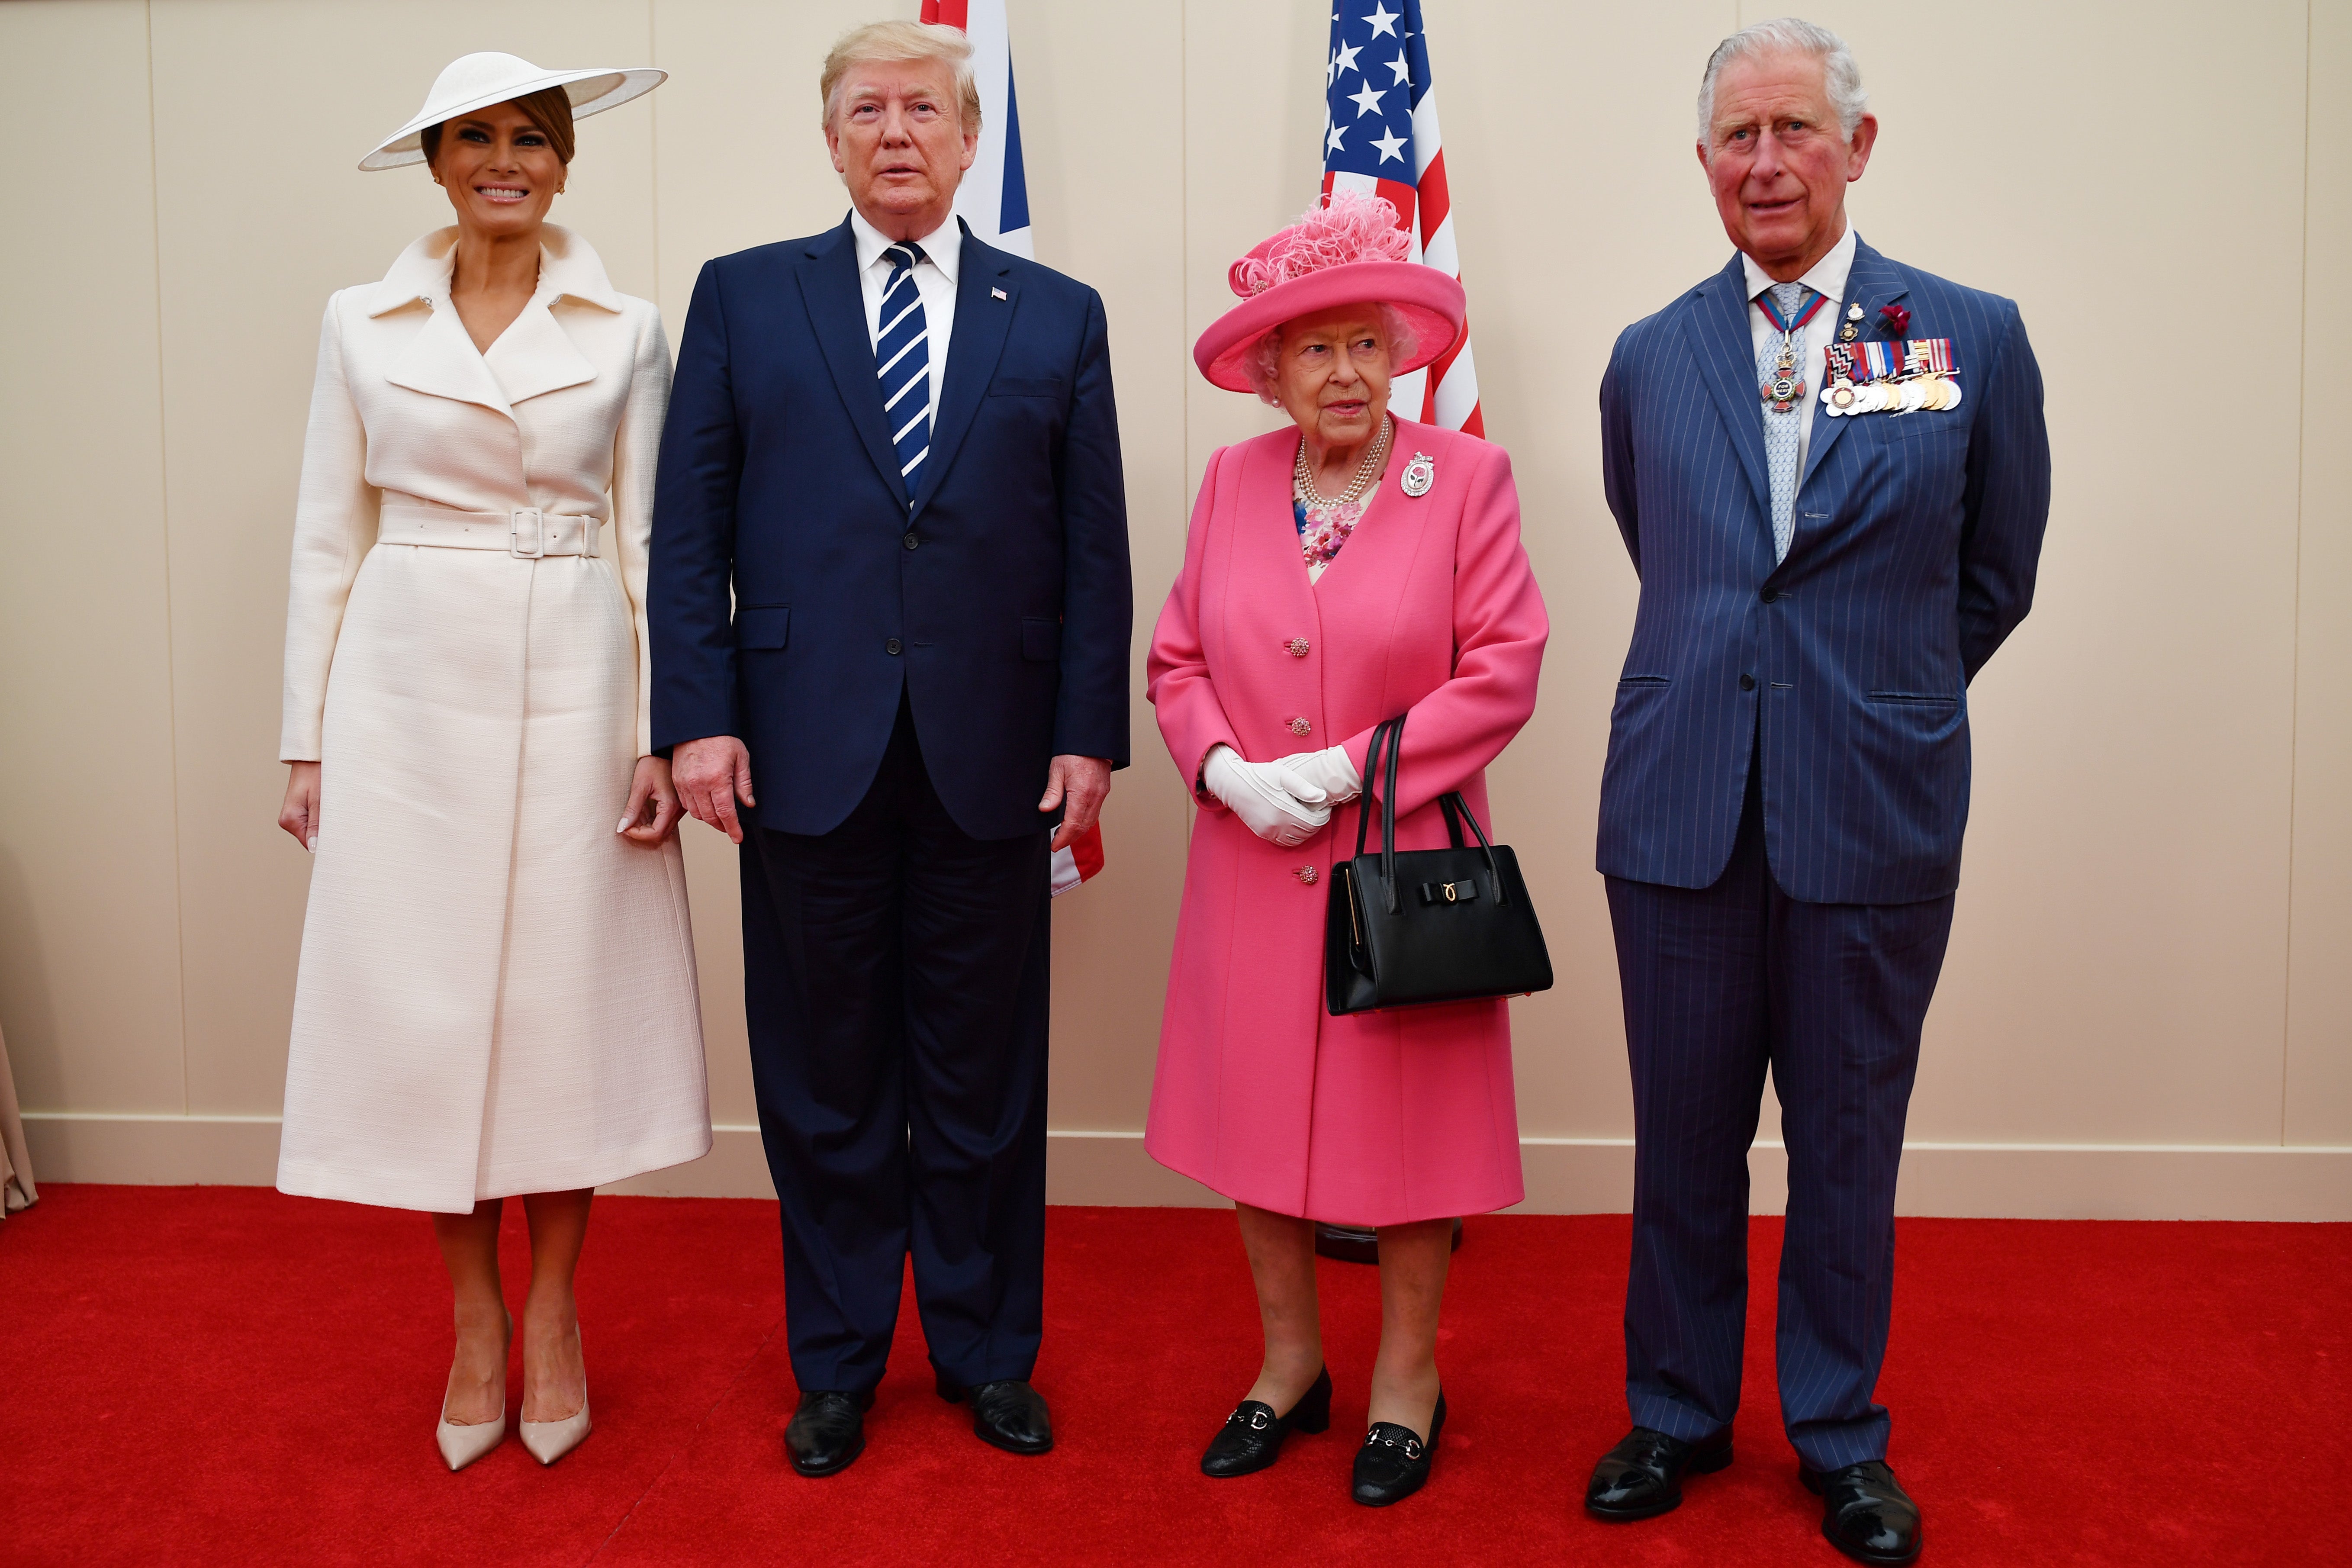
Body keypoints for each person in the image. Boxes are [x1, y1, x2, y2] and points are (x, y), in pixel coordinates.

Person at [1586, 19, 2051, 1564]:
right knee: (1683, 1135)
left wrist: (1877, 697)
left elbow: (1992, 575)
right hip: (1679, 806)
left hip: (1873, 803)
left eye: (1793, 130)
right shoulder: (1649, 356)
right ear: (1704, 161)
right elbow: (1673, 556)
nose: (1764, 162)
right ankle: (1675, 1413)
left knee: (1848, 1136)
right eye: (1736, 137)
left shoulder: (1964, 337)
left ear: (1857, 148)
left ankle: (1839, 1437)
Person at [648, 20, 1130, 1477]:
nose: (898, 130)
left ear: (970, 138)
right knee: (824, 1074)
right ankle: (840, 1363)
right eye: (867, 109)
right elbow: (691, 529)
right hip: (799, 753)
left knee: (985, 1078)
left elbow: (1092, 550)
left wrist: (1086, 735)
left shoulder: (1056, 312)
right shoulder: (743, 299)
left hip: (993, 749)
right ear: (831, 137)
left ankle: (988, 1357)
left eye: (925, 107)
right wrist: (698, 715)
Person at [273, 53, 709, 1473]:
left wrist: (660, 728)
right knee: (428, 1003)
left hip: (580, 670)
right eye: (475, 139)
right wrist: (306, 739)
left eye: (531, 137)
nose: (503, 159)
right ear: (437, 162)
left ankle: (558, 1311)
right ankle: (473, 1319)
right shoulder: (359, 320)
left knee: (561, 1002)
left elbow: (654, 542)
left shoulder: (630, 327)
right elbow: (325, 537)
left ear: (565, 163)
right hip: (401, 685)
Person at [1145, 191, 1549, 1507]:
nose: (1343, 373)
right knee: (1254, 1121)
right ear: (1270, 372)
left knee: (1409, 1137)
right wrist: (1219, 769)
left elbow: (1504, 667)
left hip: (1401, 862)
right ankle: (1287, 1370)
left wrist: (1344, 771)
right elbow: (1177, 658)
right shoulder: (1231, 481)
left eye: (1365, 346)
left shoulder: (1463, 479)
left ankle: (1405, 1385)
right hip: (1253, 860)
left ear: (1400, 357)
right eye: (1313, 350)